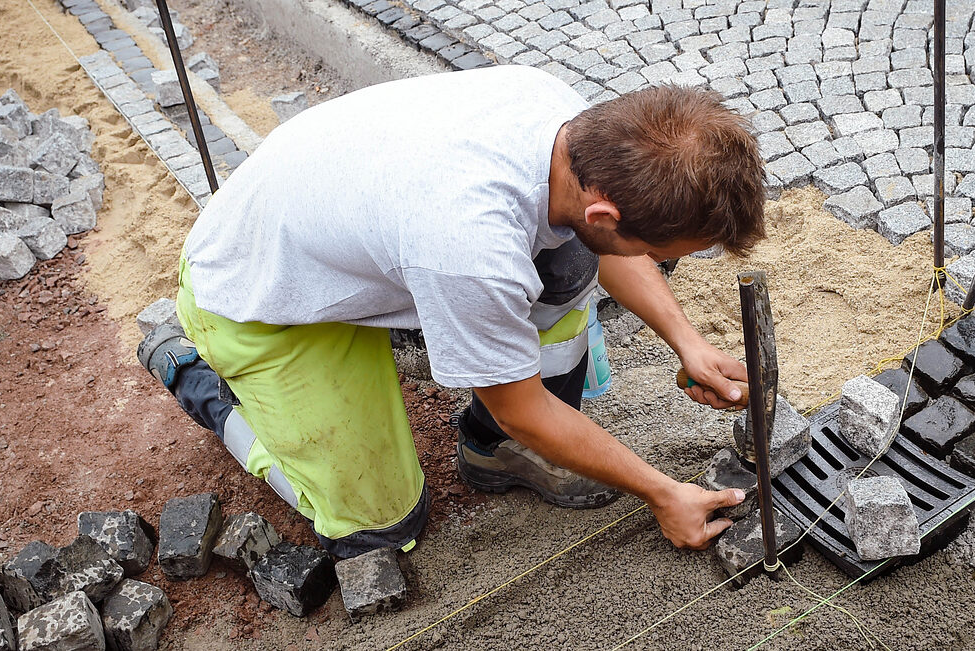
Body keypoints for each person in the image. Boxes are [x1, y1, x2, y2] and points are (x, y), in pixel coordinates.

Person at [135, 65, 768, 558]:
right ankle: (190, 371)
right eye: (657, 252)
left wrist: (686, 341)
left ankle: (488, 453)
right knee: (382, 531)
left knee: (572, 264)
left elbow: (604, 246)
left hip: (362, 238)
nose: (655, 263)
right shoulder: (470, 247)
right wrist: (662, 493)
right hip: (258, 295)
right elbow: (524, 412)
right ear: (604, 211)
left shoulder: (576, 129)